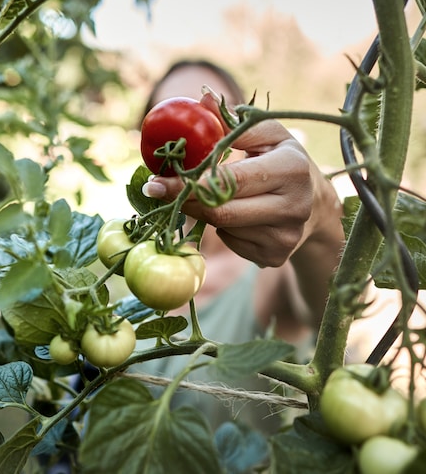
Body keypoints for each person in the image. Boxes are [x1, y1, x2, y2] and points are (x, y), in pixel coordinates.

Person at [128, 59, 346, 433]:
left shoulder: (273, 268)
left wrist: (322, 219)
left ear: (245, 139)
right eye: (169, 108)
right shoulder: (132, 254)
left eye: (210, 113)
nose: (186, 126)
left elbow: (331, 301)